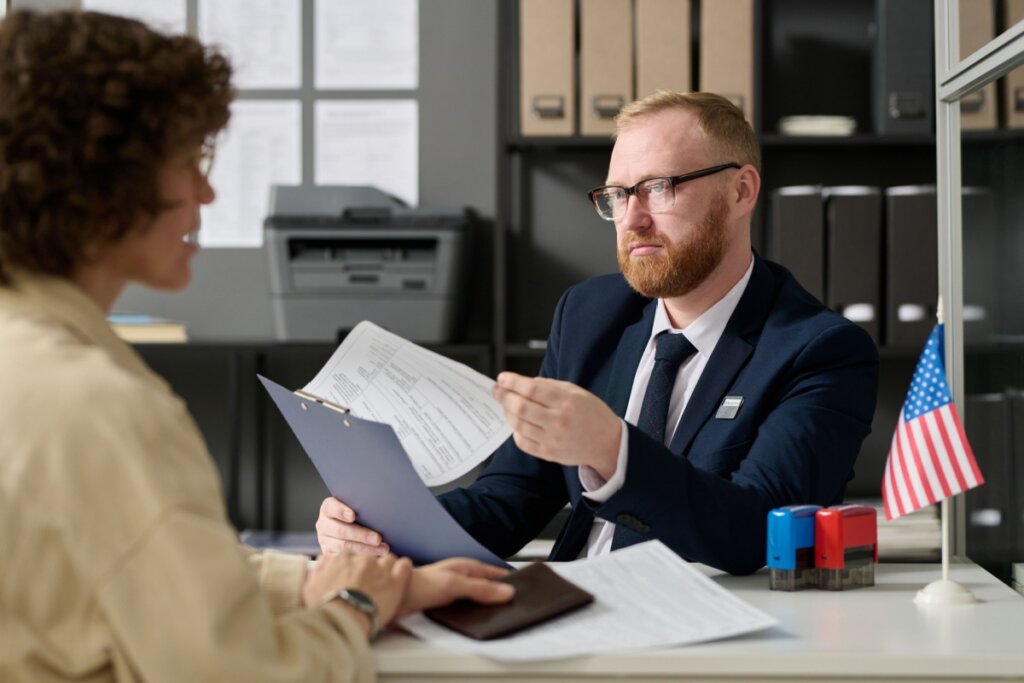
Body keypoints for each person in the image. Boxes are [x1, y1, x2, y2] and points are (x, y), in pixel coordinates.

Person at [0, 10, 513, 682]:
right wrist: (357, 606)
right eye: (189, 162)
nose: (208, 191)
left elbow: (145, 563)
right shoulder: (103, 407)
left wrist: (314, 581)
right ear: (104, 183)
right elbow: (241, 673)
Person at [317, 90, 880, 576]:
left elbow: (754, 532)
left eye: (658, 188)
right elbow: (512, 495)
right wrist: (388, 528)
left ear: (740, 191)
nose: (632, 218)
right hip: (570, 604)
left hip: (709, 630)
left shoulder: (821, 351)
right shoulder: (590, 314)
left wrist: (611, 449)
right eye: (617, 195)